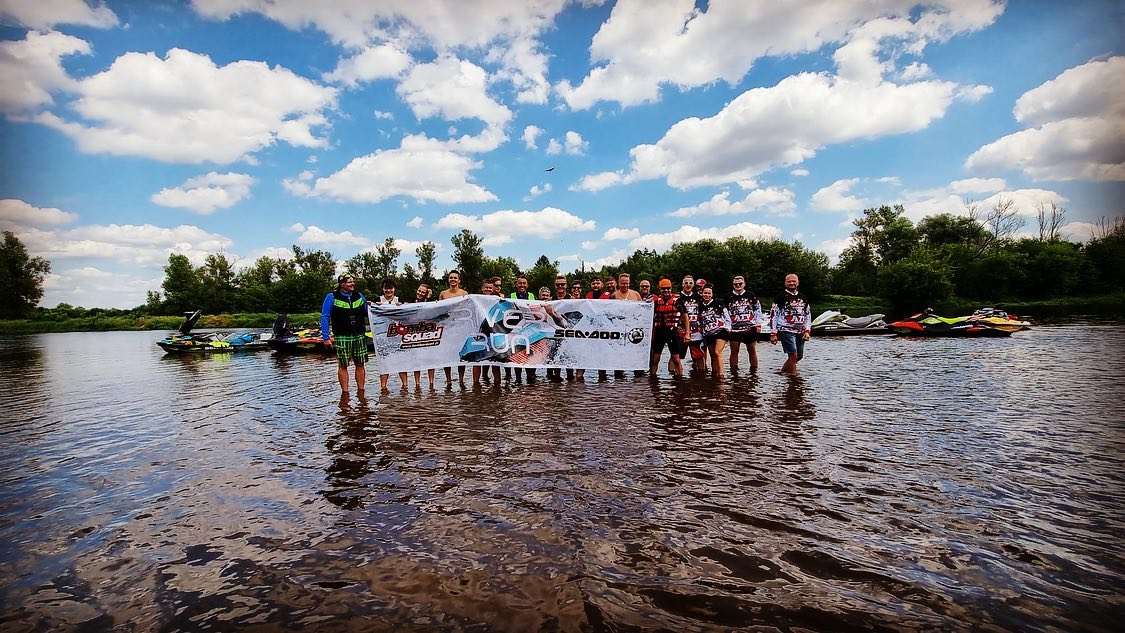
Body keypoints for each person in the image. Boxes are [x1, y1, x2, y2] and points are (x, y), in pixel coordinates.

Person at [321, 273, 369, 395]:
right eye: (349, 282)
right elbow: (325, 317)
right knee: (343, 365)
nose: (352, 284)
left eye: (353, 281)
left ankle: (361, 391)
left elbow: (369, 312)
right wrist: (326, 337)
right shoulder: (331, 297)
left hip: (359, 334)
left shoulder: (360, 296)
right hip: (342, 335)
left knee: (360, 363)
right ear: (342, 285)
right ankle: (345, 393)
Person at [769, 273, 812, 376]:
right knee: (793, 355)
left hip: (800, 330)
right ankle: (793, 379)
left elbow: (808, 314)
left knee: (799, 356)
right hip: (786, 329)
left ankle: (783, 372)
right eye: (789, 281)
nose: (792, 283)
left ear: (798, 283)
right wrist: (773, 333)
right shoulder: (780, 297)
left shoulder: (803, 297)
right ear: (785, 283)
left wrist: (807, 330)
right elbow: (773, 315)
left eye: (794, 281)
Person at [373, 278, 406, 393]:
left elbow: (408, 312)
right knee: (384, 360)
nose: (388, 290)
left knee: (401, 361)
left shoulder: (400, 300)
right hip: (382, 335)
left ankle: (405, 385)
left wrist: (402, 306)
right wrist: (373, 305)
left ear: (394, 289)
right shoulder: (377, 301)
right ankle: (383, 386)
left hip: (397, 334)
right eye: (386, 288)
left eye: (390, 288)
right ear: (382, 289)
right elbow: (369, 310)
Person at [726, 275, 763, 372]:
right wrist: (726, 327)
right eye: (736, 284)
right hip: (734, 329)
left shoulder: (751, 295)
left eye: (740, 283)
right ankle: (733, 373)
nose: (738, 285)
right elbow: (724, 313)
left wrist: (758, 324)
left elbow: (758, 310)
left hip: (749, 327)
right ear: (733, 285)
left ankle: (754, 373)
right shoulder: (728, 297)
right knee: (734, 351)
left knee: (752, 350)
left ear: (744, 284)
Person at [650, 278, 687, 376]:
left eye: (668, 288)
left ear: (671, 288)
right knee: (655, 359)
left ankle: (680, 379)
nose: (666, 291)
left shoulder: (678, 301)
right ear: (660, 290)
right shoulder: (656, 302)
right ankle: (653, 381)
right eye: (663, 289)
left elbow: (685, 316)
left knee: (676, 359)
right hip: (659, 333)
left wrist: (687, 333)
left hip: (672, 333)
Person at [439, 270, 469, 387]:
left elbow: (468, 309)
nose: (453, 280)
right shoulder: (443, 294)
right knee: (447, 354)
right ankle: (449, 380)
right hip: (447, 327)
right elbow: (438, 310)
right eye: (451, 278)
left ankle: (461, 379)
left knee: (460, 354)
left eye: (455, 278)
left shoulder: (464, 293)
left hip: (460, 327)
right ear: (448, 279)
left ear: (459, 280)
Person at [509, 275, 537, 383]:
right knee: (517, 354)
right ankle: (518, 379)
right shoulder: (510, 296)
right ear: (516, 285)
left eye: (524, 283)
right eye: (520, 283)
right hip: (515, 330)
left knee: (530, 355)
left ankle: (531, 378)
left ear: (527, 285)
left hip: (530, 330)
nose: (522, 285)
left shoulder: (532, 296)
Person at [698, 285, 731, 374]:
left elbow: (727, 317)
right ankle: (714, 374)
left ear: (712, 294)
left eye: (709, 293)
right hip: (708, 333)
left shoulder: (718, 303)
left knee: (717, 352)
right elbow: (699, 321)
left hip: (720, 331)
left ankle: (721, 375)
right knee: (712, 356)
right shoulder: (700, 305)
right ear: (702, 294)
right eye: (705, 293)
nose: (707, 295)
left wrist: (727, 329)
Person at [410, 282, 436, 390]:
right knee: (416, 360)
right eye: (419, 290)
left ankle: (431, 383)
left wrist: (429, 298)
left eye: (422, 292)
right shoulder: (411, 301)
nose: (420, 293)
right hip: (415, 333)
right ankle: (417, 384)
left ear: (426, 294)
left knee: (430, 359)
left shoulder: (430, 302)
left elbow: (433, 310)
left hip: (428, 333)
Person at [679, 275, 705, 371]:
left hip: (696, 331)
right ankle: (676, 380)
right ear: (682, 284)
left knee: (698, 355)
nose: (688, 285)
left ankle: (702, 377)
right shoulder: (678, 297)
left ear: (693, 285)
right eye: (686, 283)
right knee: (676, 356)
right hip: (681, 331)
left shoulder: (699, 297)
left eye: (690, 283)